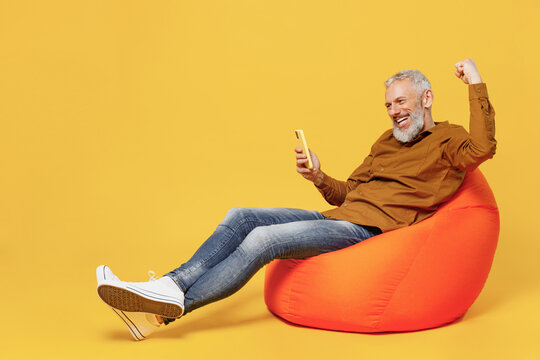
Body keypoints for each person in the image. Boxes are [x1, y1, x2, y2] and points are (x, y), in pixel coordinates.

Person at [96, 58, 496, 340]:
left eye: (402, 102)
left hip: (368, 231)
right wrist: (318, 174)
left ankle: (165, 309)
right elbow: (350, 192)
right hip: (339, 217)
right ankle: (169, 288)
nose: (394, 111)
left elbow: (483, 147)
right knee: (242, 215)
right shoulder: (385, 142)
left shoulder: (449, 140)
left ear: (426, 99)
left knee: (263, 242)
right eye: (389, 104)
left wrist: (475, 81)